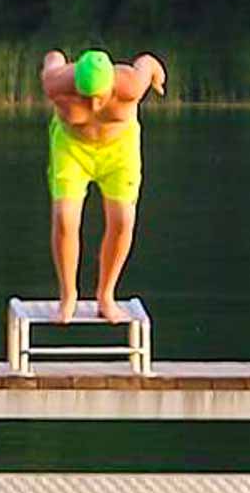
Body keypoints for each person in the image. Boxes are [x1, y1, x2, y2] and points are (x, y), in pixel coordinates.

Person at [40, 48, 167, 323]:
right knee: (64, 218)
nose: (95, 105)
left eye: (100, 97)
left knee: (123, 219)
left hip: (119, 151)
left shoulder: (130, 84)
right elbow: (53, 59)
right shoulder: (57, 85)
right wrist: (57, 59)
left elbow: (147, 61)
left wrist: (158, 77)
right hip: (72, 149)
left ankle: (106, 295)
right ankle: (68, 295)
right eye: (86, 98)